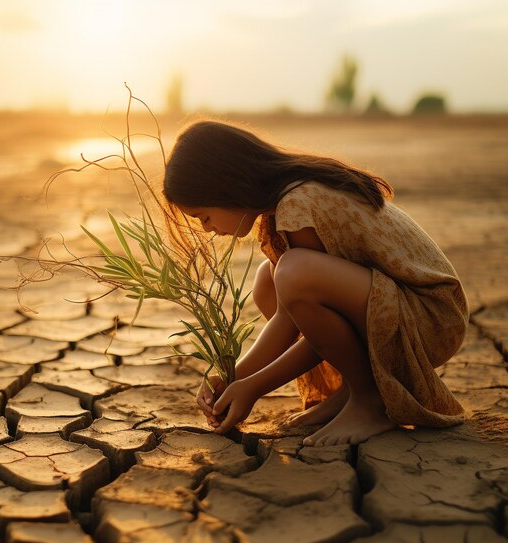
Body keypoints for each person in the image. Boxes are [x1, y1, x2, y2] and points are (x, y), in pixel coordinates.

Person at [162, 120, 469, 447]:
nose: (207, 228)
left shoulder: (298, 202)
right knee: (270, 279)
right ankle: (349, 391)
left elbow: (306, 325)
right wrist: (230, 376)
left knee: (293, 273)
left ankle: (370, 401)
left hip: (431, 319)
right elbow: (291, 317)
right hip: (397, 309)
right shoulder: (279, 209)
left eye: (203, 216)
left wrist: (253, 386)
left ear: (227, 186)